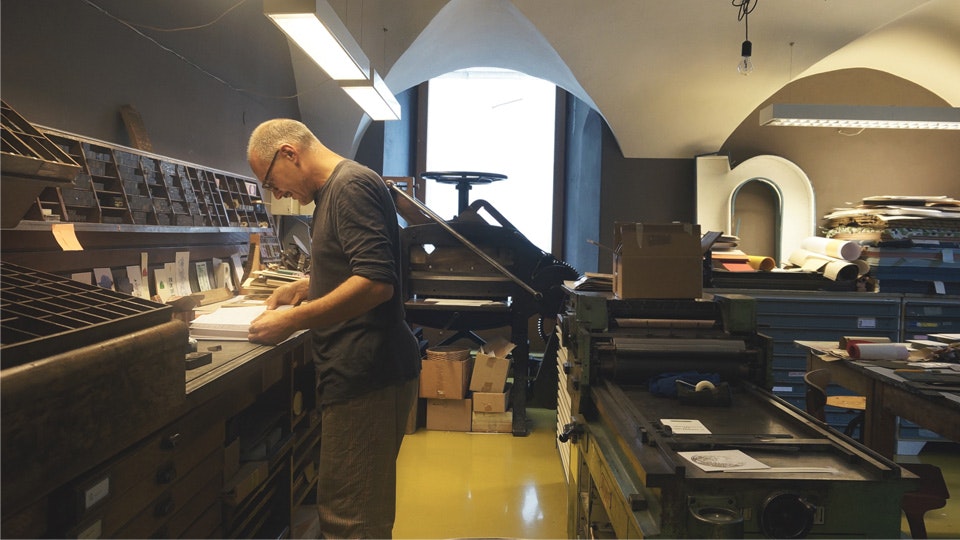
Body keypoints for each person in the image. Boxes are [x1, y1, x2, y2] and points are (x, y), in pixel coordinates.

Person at [246, 118, 421, 538]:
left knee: (351, 522)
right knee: (350, 511)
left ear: (289, 153)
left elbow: (377, 283)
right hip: (362, 372)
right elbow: (358, 264)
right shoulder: (337, 191)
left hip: (366, 376)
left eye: (271, 181)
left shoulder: (349, 188)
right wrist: (310, 285)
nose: (278, 193)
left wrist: (292, 320)